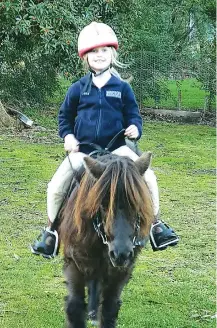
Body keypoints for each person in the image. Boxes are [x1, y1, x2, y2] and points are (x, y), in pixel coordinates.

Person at [31, 21, 179, 258]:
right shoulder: (77, 89)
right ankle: (50, 233)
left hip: (118, 149)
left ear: (112, 54)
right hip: (84, 151)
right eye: (93, 51)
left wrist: (134, 128)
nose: (99, 55)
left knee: (148, 177)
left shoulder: (122, 88)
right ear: (85, 57)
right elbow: (64, 118)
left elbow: (134, 116)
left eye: (103, 50)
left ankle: (156, 226)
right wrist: (68, 136)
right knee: (55, 186)